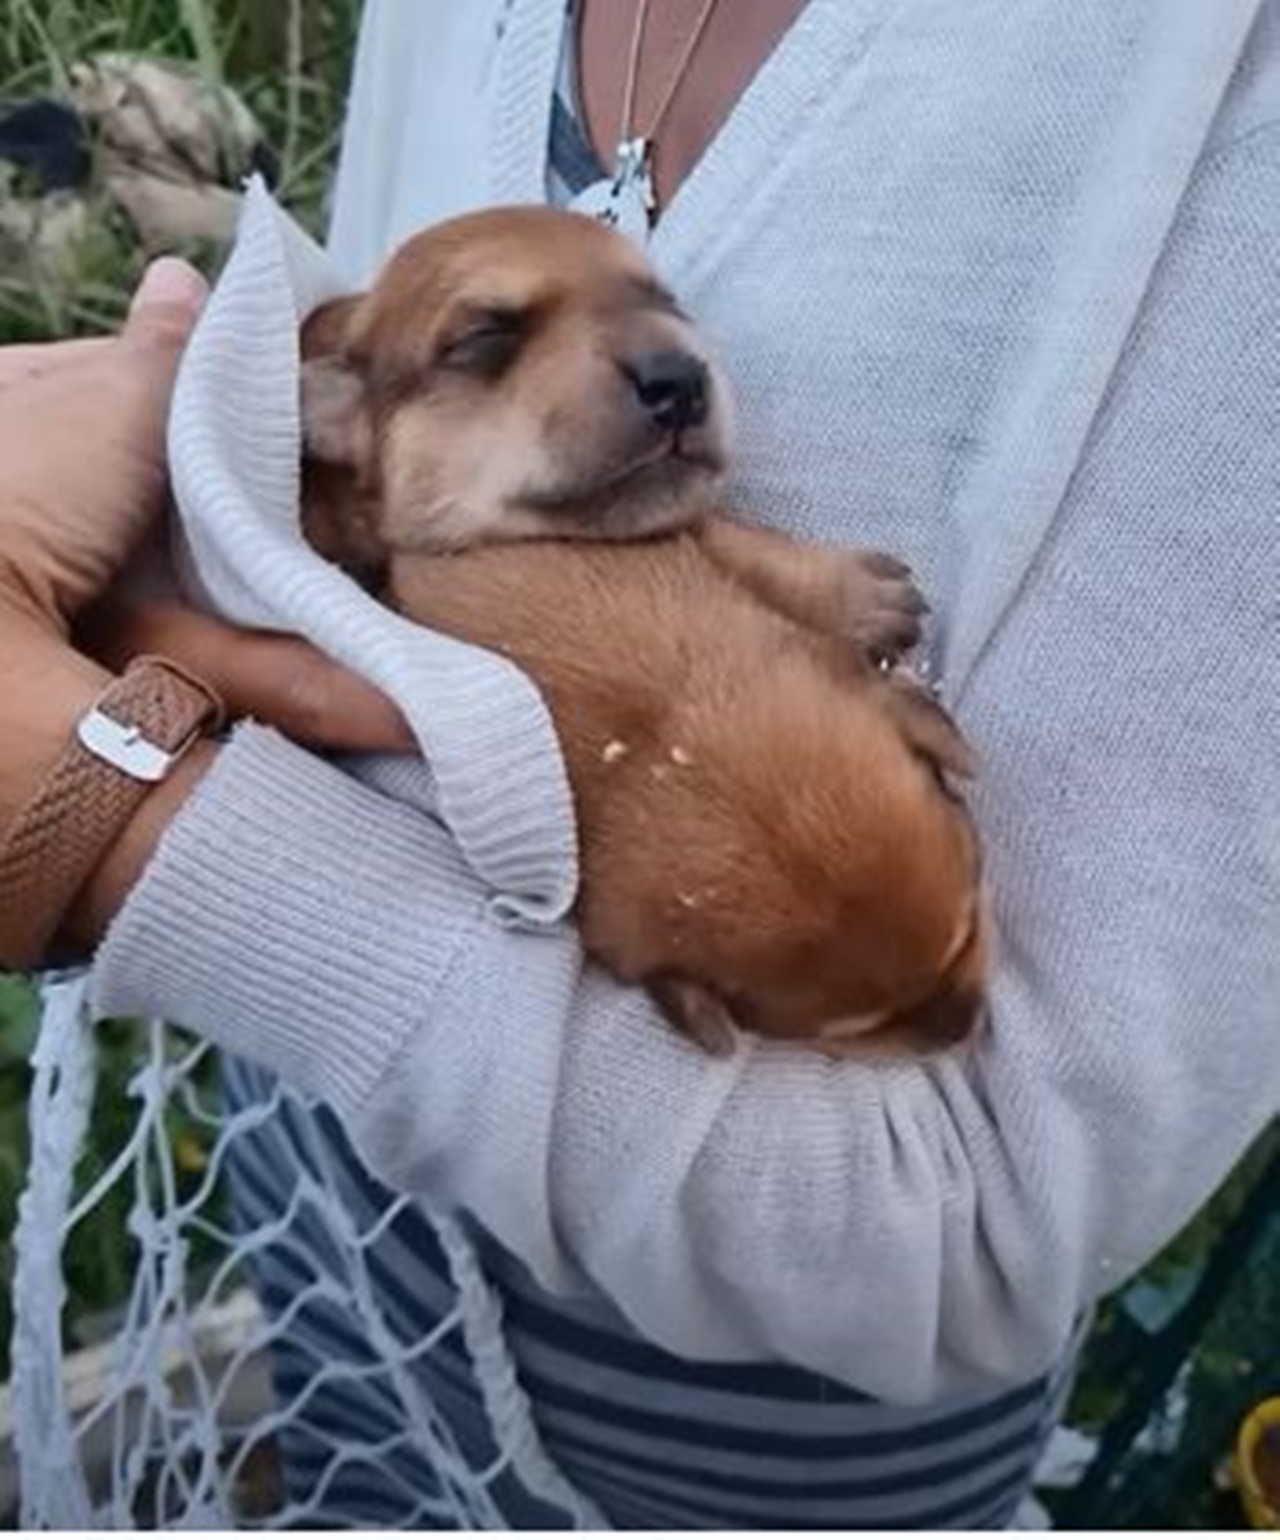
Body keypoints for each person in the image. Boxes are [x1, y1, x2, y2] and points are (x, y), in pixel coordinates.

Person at [2, 0, 1278, 1526]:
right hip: (329, 1258)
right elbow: (351, 511)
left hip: (742, 1471)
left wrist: (132, 830)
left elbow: (979, 1234)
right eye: (498, 340)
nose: (665, 367)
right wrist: (190, 487)